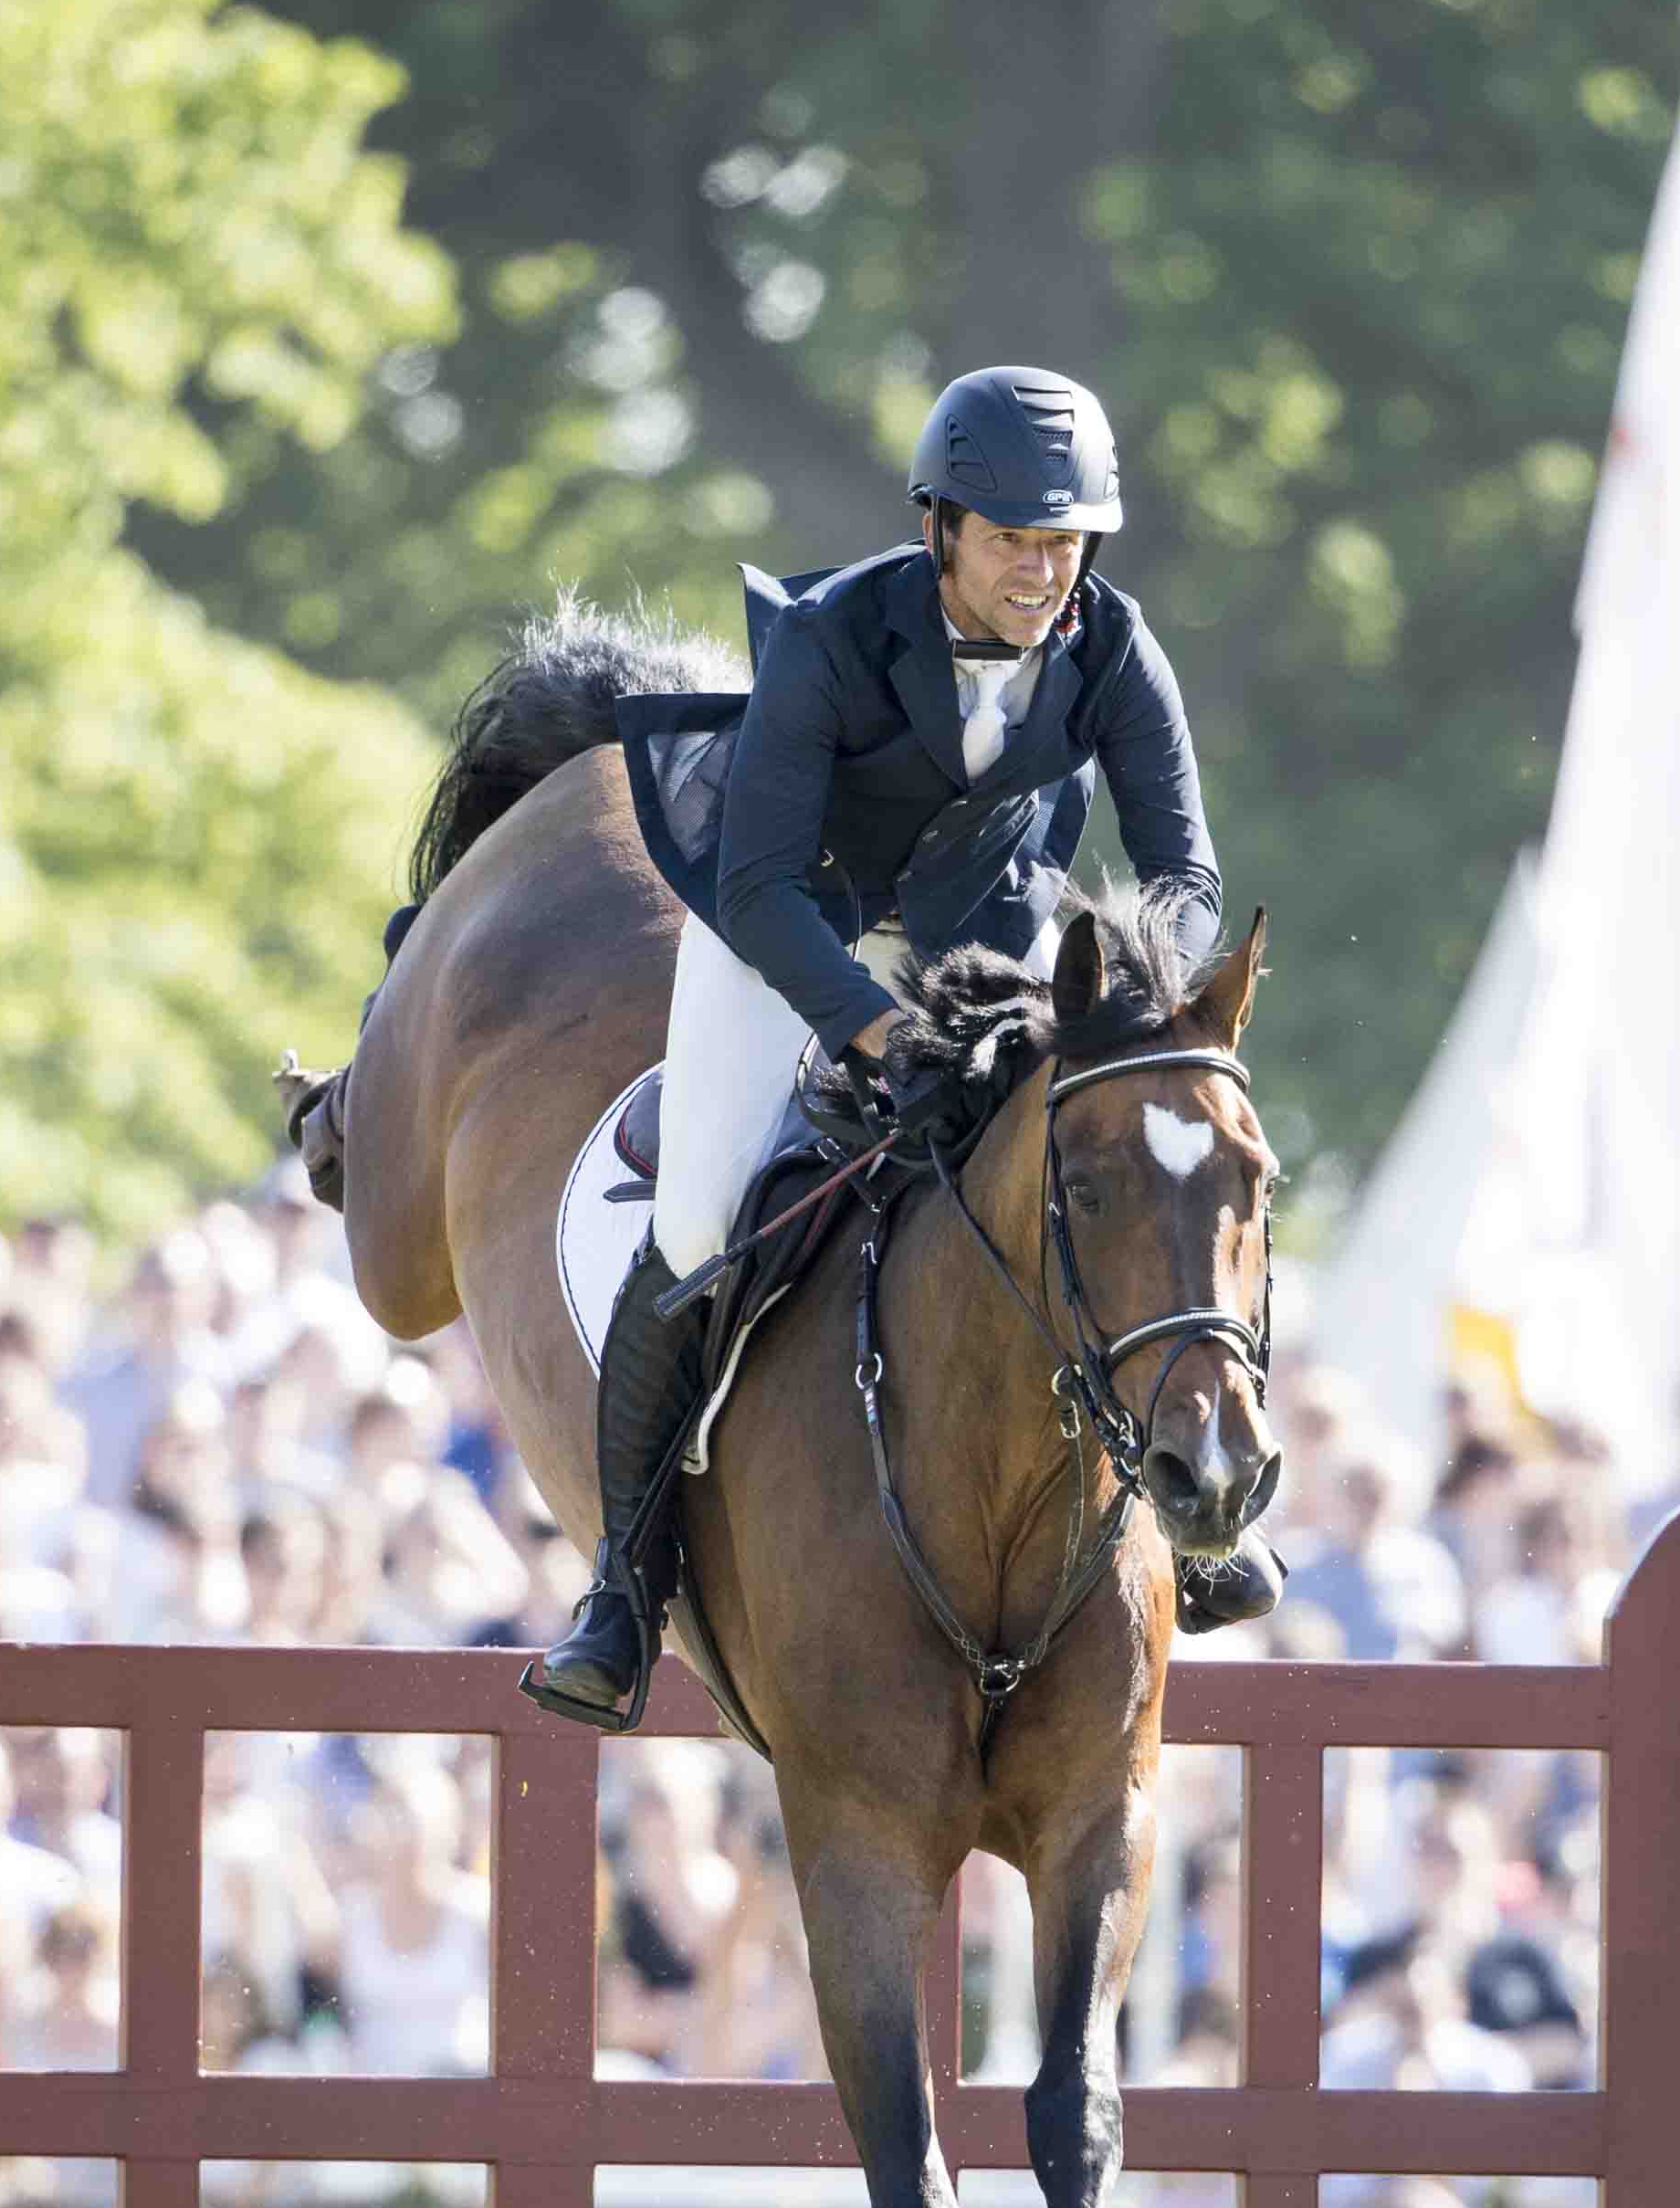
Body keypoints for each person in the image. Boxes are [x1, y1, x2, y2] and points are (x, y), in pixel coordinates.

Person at [523, 364, 1259, 1730]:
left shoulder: (1112, 642)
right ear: (941, 531)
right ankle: (623, 1592)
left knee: (1157, 1156)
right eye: (1013, 541)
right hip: (792, 928)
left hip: (989, 932)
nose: (1044, 571)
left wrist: (1145, 989)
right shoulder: (833, 636)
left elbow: (1187, 873)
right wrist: (869, 1026)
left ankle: (1199, 1499)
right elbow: (755, 893)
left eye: (1065, 542)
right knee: (696, 1223)